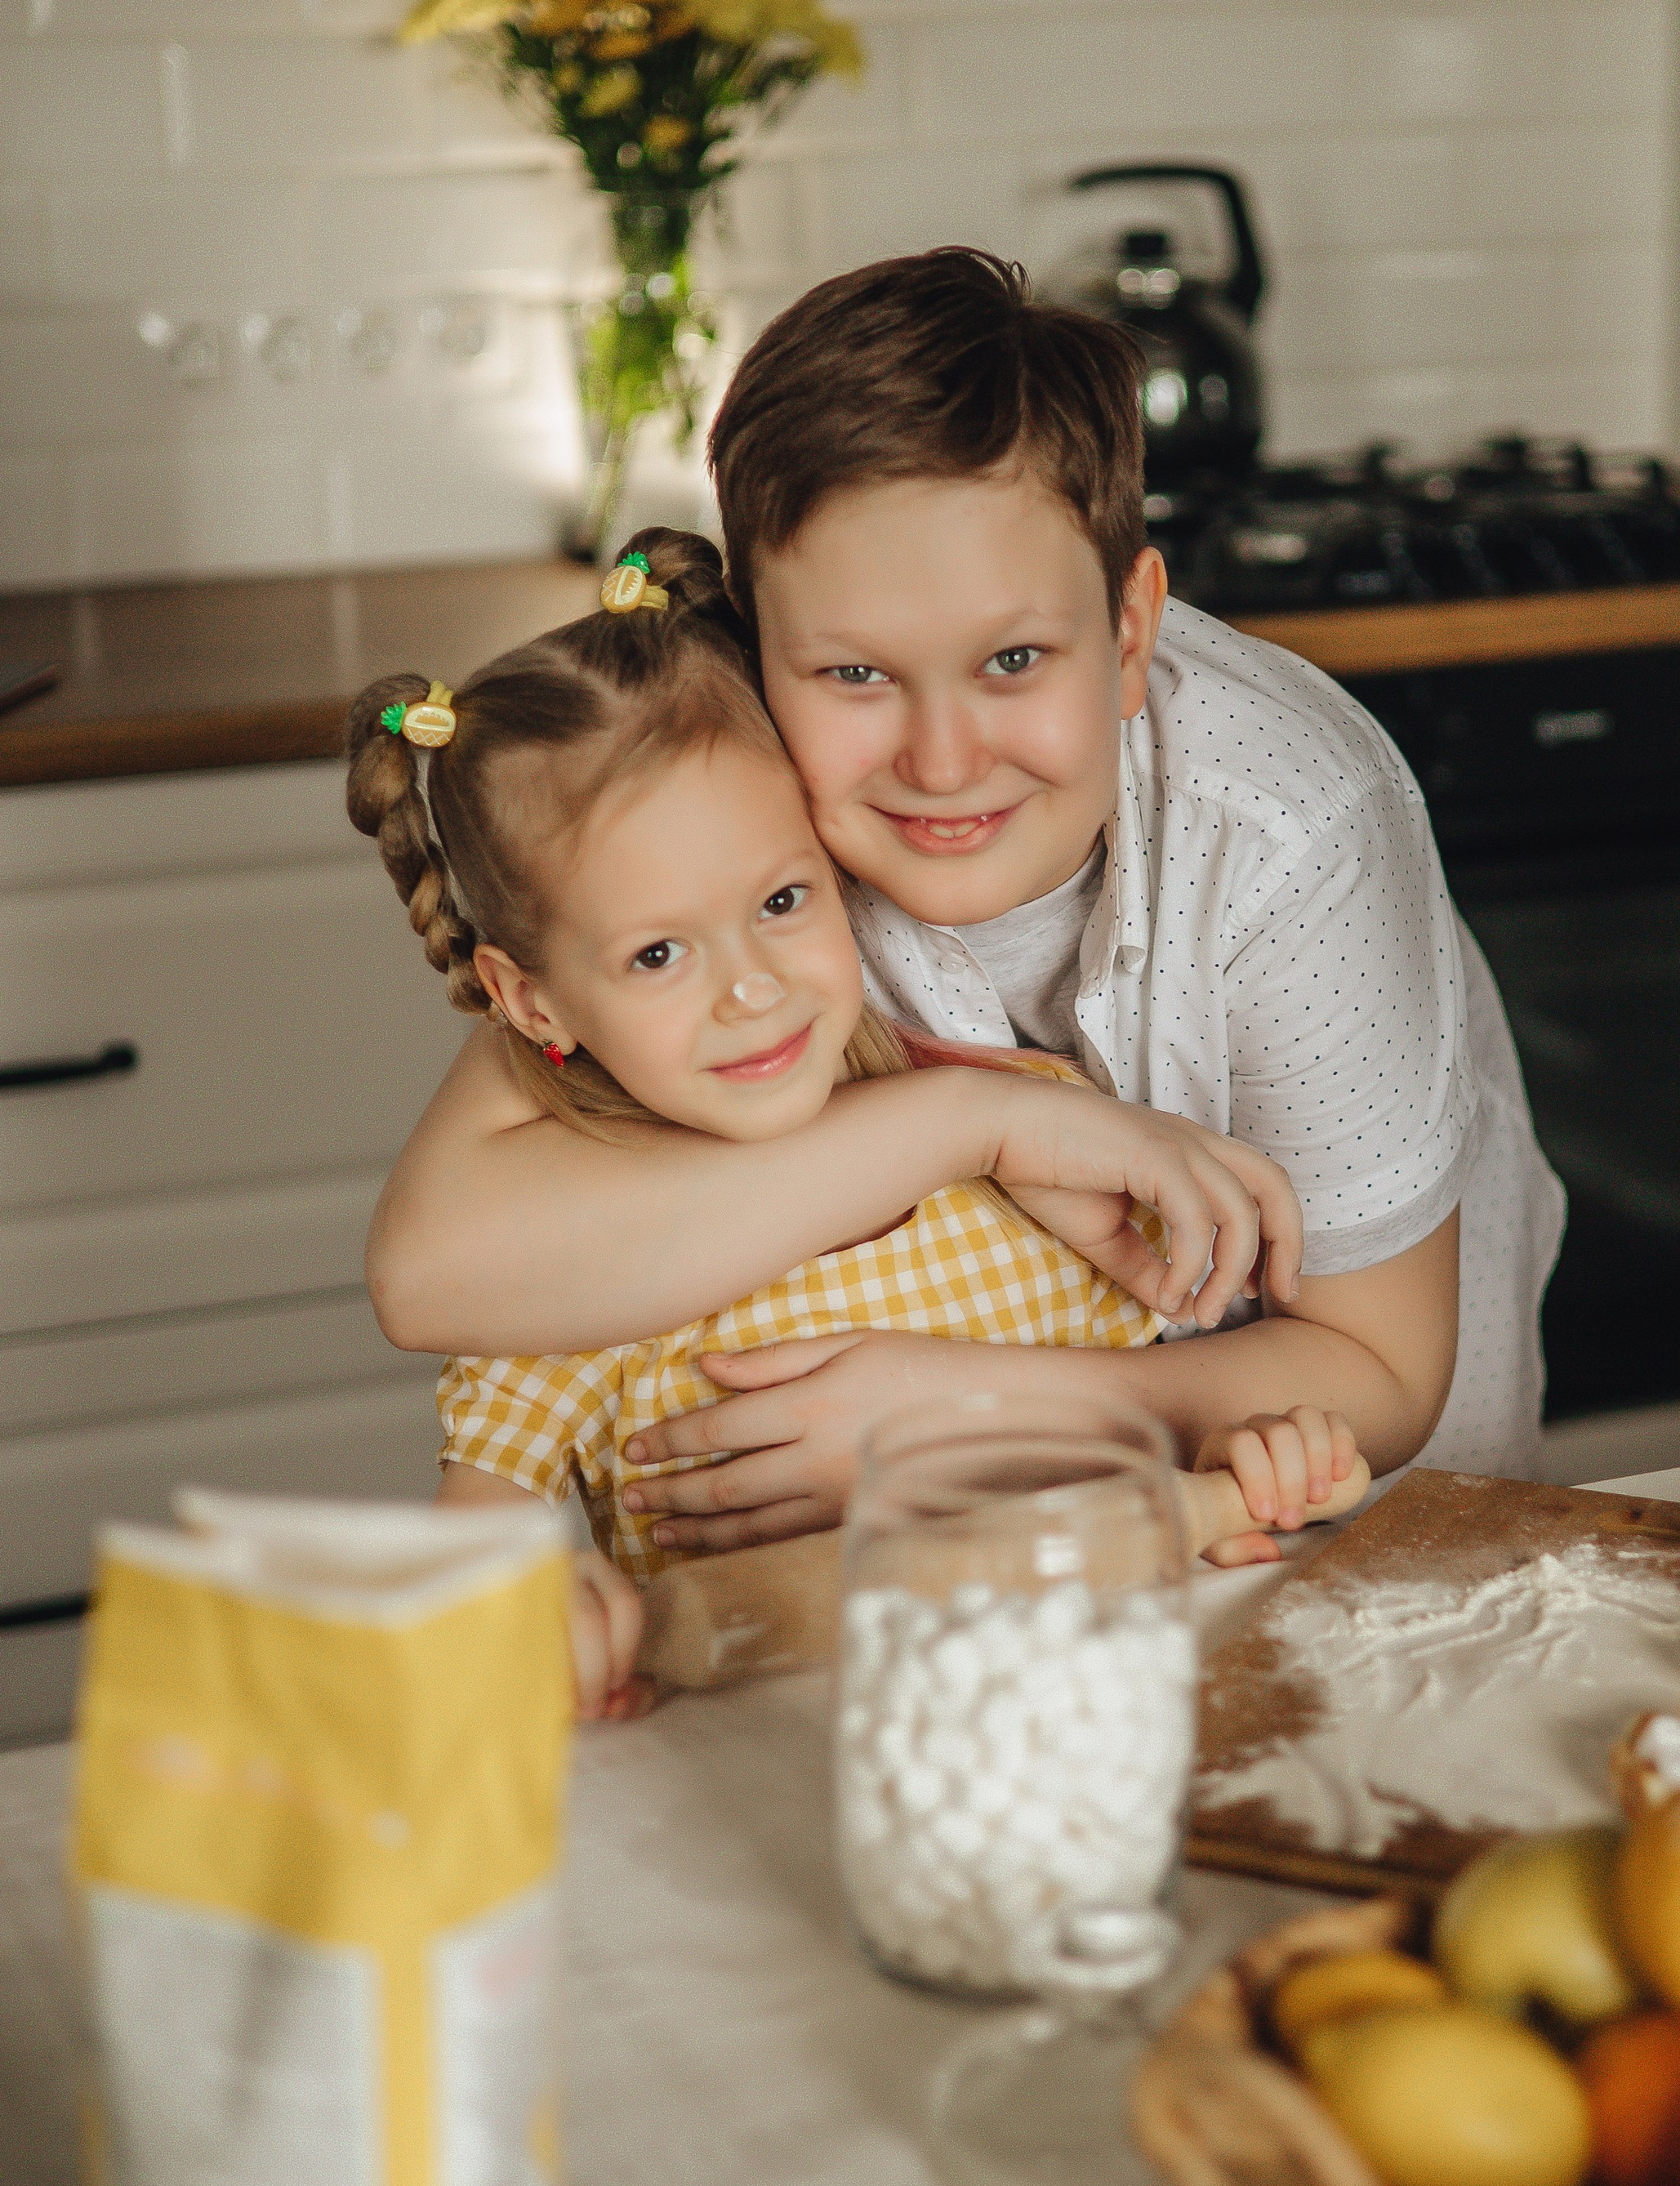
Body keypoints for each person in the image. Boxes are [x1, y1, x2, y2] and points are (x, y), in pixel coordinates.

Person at [368, 249, 1565, 1552]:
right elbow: (432, 1271)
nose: (942, 764)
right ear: (753, 651)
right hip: (980, 1559)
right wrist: (970, 1121)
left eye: (1011, 658)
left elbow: (1379, 1373)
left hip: (1342, 1493)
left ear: (1127, 633)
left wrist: (969, 1416)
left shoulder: (1290, 824)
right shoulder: (711, 777)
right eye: (854, 672)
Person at [347, 528, 1349, 1713]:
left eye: (781, 899)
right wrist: (534, 1622)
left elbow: (1159, 1449)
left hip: (1091, 1732)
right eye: (659, 951)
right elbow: (463, 1588)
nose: (751, 986)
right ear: (532, 999)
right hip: (763, 1797)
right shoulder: (561, 1287)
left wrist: (1258, 1472)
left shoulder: (1036, 1143)